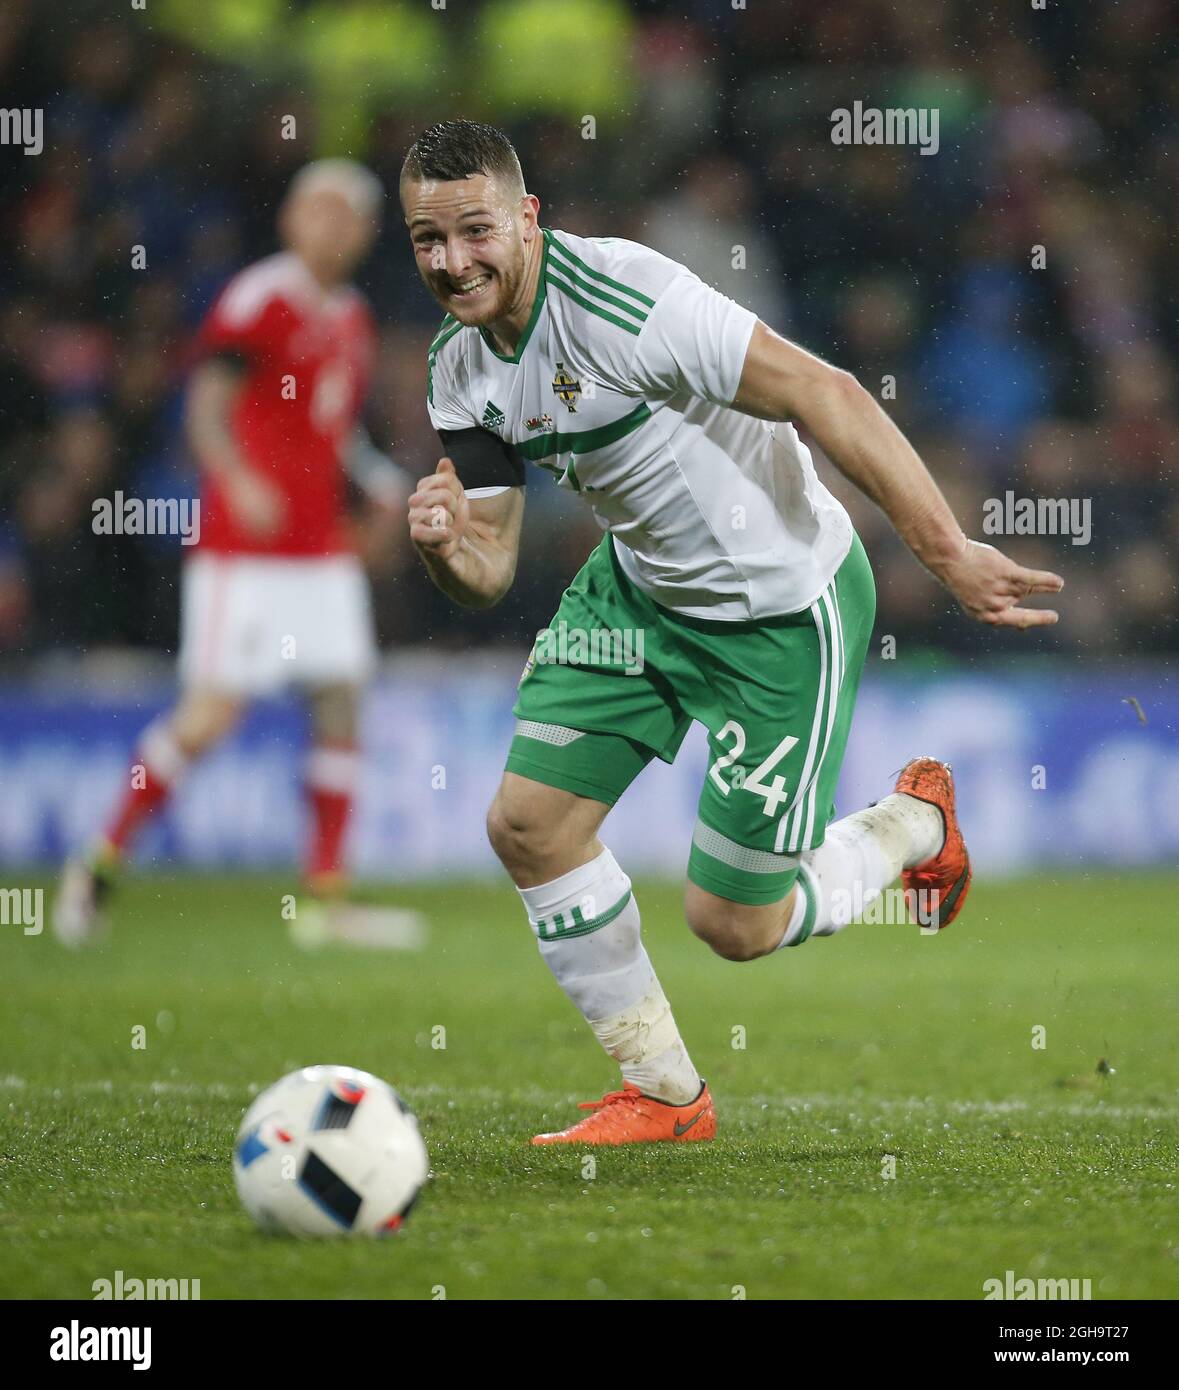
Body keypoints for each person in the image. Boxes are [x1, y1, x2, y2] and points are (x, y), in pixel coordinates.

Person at [401, 120, 1063, 1145]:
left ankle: (913, 825)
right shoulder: (458, 369)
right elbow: (488, 567)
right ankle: (664, 1092)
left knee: (734, 925)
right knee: (528, 826)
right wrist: (447, 547)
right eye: (426, 242)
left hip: (779, 610)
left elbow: (823, 391)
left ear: (527, 219)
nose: (453, 262)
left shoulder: (628, 303)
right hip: (635, 598)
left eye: (475, 231)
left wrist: (945, 551)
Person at [56, 159, 418, 949]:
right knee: (210, 716)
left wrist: (381, 484)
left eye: (349, 215)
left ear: (364, 234)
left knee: (342, 702)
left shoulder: (350, 315)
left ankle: (324, 901)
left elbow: (335, 428)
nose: (333, 224)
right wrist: (238, 479)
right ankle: (98, 862)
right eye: (319, 209)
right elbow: (206, 405)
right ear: (291, 221)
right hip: (244, 552)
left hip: (319, 550)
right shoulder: (261, 298)